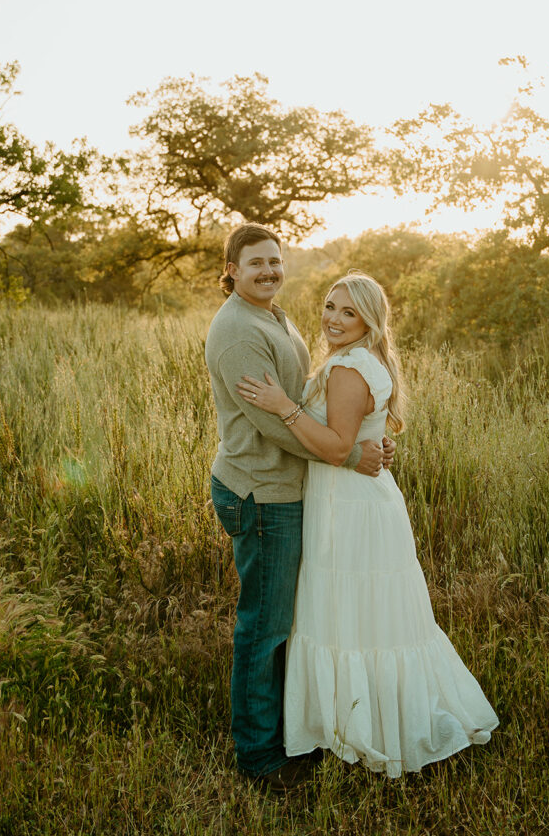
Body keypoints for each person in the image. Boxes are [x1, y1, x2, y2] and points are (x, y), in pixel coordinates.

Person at [237, 271, 498, 777]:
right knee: (360, 617)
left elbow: (337, 446)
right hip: (358, 499)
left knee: (353, 616)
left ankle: (363, 728)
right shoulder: (355, 360)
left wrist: (284, 407)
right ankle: (352, 722)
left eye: (348, 312)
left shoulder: (349, 368)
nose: (333, 319)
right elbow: (358, 435)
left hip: (349, 506)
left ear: (369, 321)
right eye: (330, 306)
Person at [205, 225, 394, 791]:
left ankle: (292, 730)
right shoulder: (239, 330)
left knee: (285, 621)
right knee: (263, 627)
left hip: (289, 488)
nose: (268, 271)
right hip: (262, 492)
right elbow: (273, 420)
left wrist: (365, 435)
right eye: (255, 263)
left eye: (275, 262)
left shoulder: (275, 315)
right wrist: (345, 452)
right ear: (232, 270)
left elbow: (316, 402)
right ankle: (259, 758)